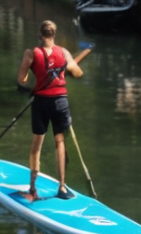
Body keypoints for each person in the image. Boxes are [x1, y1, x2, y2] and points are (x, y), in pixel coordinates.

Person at [16, 20, 90, 201]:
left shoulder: (31, 53)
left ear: (40, 35)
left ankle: (32, 189)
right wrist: (67, 68)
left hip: (41, 102)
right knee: (60, 142)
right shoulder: (64, 53)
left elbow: (21, 80)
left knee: (36, 145)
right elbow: (78, 73)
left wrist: (33, 73)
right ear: (54, 35)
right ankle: (62, 187)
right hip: (60, 102)